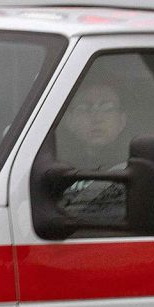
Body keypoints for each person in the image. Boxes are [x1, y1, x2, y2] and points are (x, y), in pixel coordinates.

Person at [55, 79, 131, 223]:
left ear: (122, 121)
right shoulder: (50, 166)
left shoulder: (134, 167)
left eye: (107, 108)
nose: (96, 118)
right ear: (69, 121)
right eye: (84, 108)